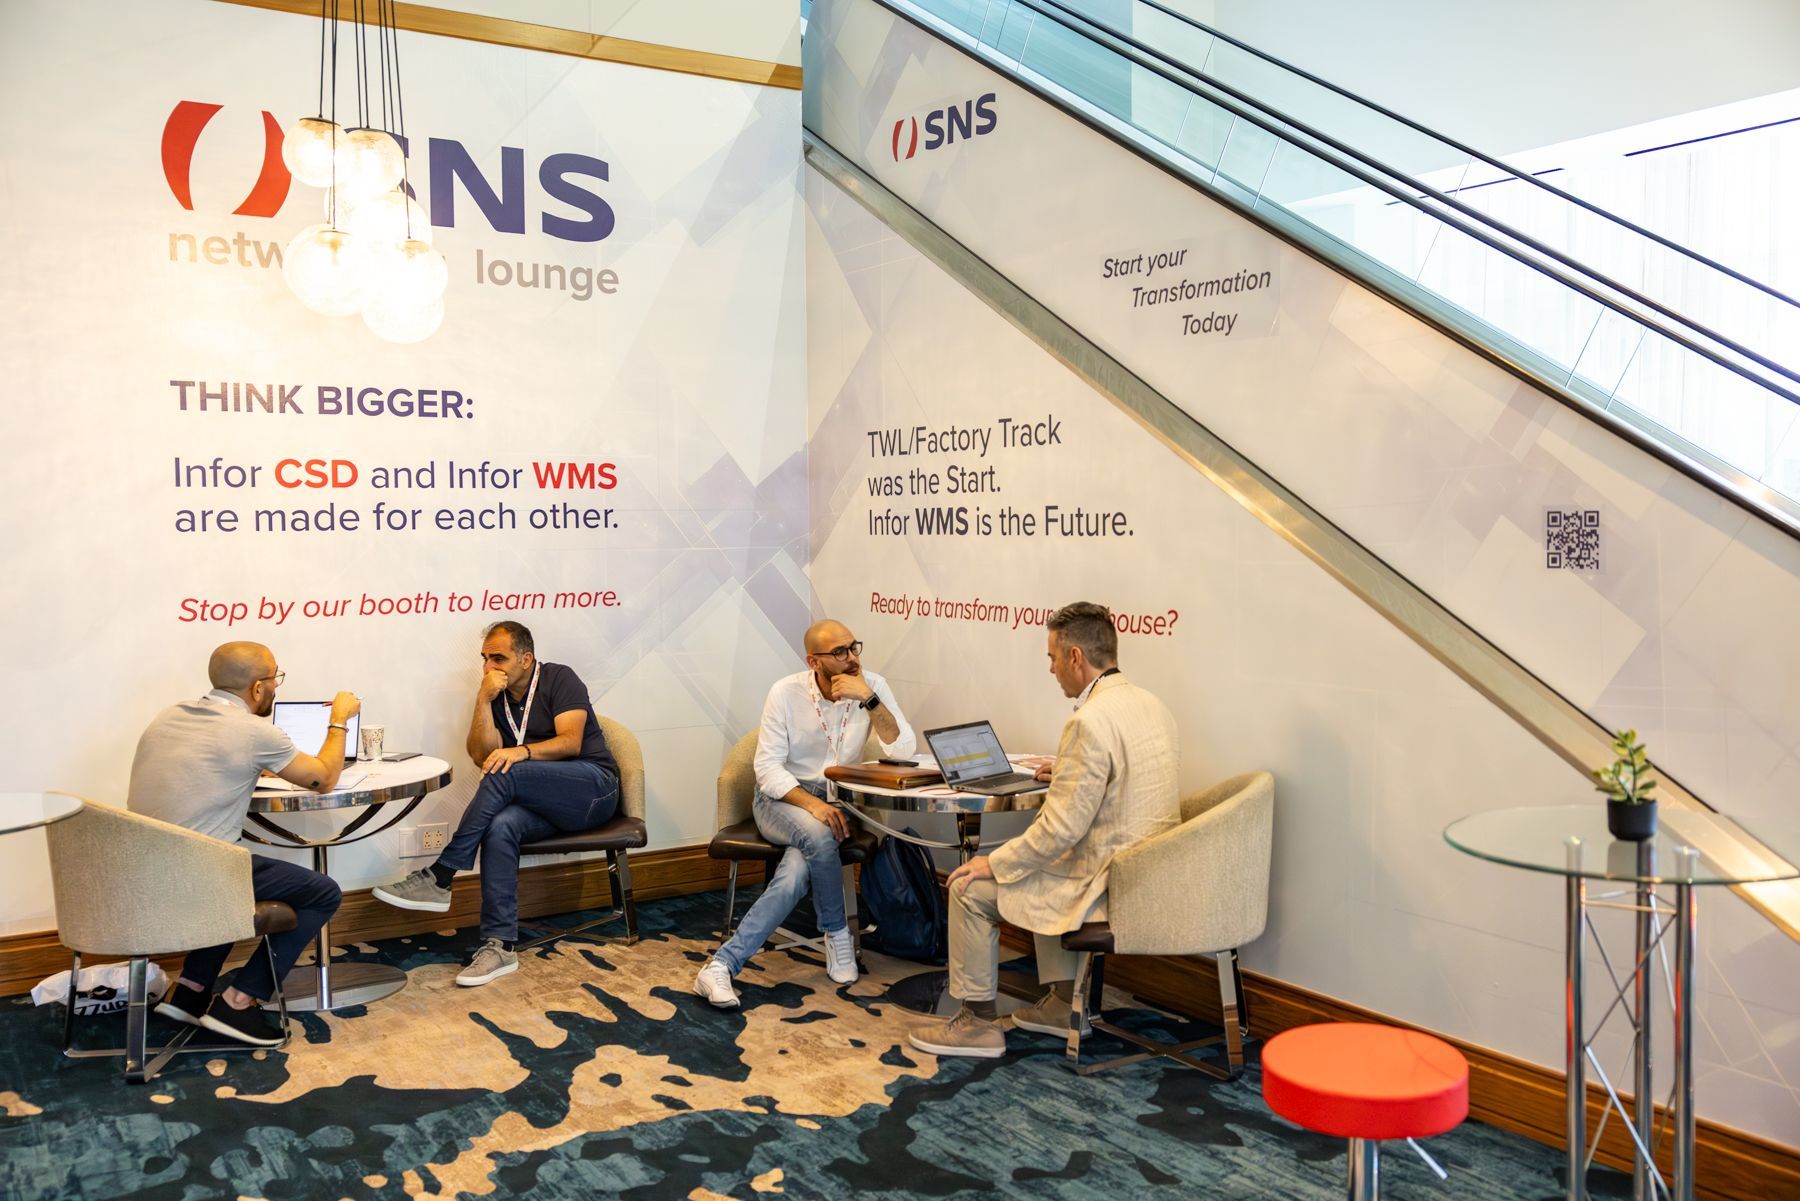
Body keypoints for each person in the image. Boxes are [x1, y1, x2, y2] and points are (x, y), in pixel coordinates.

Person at [907, 601, 1179, 1057]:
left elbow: (1059, 832)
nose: (1051, 669)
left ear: (1076, 657)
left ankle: (976, 1023)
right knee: (1032, 864)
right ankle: (1058, 1007)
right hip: (1148, 875)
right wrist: (1069, 771)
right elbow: (1123, 780)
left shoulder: (1088, 721)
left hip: (1103, 886)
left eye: (1052, 657)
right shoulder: (1150, 705)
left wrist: (990, 863)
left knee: (969, 887)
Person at [127, 642, 356, 1047]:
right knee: (322, 892)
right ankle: (237, 1002)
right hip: (200, 871)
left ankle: (189, 994)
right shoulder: (251, 731)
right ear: (257, 688)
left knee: (234, 868)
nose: (275, 688)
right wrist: (338, 721)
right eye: (275, 680)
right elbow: (324, 778)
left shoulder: (168, 716)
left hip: (145, 870)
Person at [373, 620, 618, 987]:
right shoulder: (498, 696)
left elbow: (570, 743)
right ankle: (499, 945)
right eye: (485, 659)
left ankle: (441, 875)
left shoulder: (559, 678)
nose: (489, 667)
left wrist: (520, 753)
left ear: (526, 658)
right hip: (542, 804)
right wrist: (481, 699)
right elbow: (481, 756)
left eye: (498, 658)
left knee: (509, 769)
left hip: (592, 790)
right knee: (501, 825)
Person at [692, 619, 916, 1008]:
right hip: (783, 800)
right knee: (817, 834)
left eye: (854, 647)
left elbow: (903, 751)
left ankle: (721, 966)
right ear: (814, 661)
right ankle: (837, 933)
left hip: (841, 803)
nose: (852, 659)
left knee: (796, 871)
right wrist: (813, 805)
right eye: (840, 653)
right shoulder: (785, 692)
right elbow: (767, 769)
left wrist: (870, 700)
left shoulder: (871, 685)